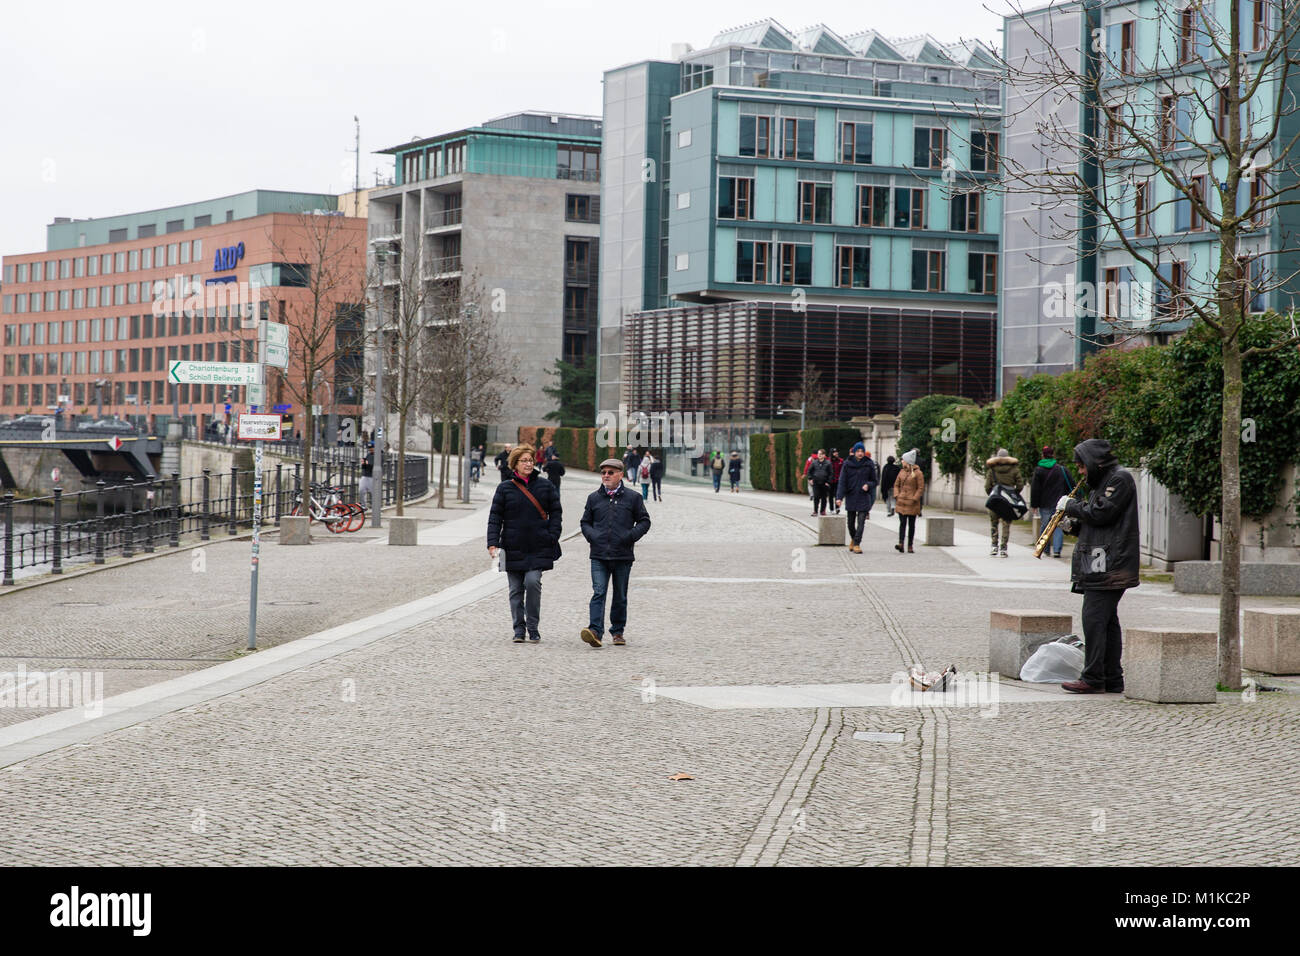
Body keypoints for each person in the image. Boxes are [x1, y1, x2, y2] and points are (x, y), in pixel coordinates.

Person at [1058, 439, 1139, 694]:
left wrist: (1070, 505)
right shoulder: (1102, 483)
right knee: (1106, 621)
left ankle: (1093, 677)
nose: (1081, 472)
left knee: (1093, 618)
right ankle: (1112, 678)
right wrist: (1072, 525)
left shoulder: (1120, 479)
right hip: (1099, 558)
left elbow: (1101, 513)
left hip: (1111, 563)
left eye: (1082, 466)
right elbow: (1097, 521)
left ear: (1095, 462)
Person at [486, 444, 562, 644]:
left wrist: (553, 534)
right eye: (524, 461)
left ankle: (533, 626)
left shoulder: (545, 486)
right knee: (515, 590)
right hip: (512, 545)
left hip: (538, 544)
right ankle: (518, 629)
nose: (528, 464)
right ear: (515, 464)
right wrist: (492, 543)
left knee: (532, 582)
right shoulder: (505, 488)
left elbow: (556, 512)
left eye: (530, 460)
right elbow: (495, 517)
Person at [580, 458, 652, 648]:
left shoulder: (633, 498)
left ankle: (617, 631)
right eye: (603, 472)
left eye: (610, 472)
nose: (606, 476)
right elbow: (585, 522)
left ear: (621, 475)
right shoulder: (594, 498)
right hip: (598, 555)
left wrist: (629, 536)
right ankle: (595, 630)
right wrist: (592, 536)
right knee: (599, 592)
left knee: (620, 595)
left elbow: (644, 521)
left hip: (623, 555)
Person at [1030, 445, 1072, 558]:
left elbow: (1035, 489)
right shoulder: (1061, 470)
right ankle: (1057, 550)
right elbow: (1071, 485)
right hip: (1060, 503)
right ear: (1053, 455)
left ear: (1042, 455)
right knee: (1058, 525)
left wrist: (1034, 504)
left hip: (1044, 504)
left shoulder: (1039, 470)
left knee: (1046, 526)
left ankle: (1045, 549)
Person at [835, 443, 875, 553]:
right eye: (858, 451)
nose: (860, 453)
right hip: (851, 495)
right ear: (854, 452)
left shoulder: (869, 463)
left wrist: (868, 485)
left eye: (862, 451)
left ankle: (857, 544)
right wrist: (839, 497)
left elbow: (875, 480)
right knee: (850, 523)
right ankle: (853, 538)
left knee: (861, 522)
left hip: (863, 496)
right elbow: (842, 482)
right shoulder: (847, 464)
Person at [984, 447, 1022, 558]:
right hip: (1008, 501)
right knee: (1006, 524)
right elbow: (1020, 484)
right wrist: (1014, 493)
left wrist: (992, 494)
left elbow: (987, 486)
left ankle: (994, 546)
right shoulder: (1014, 469)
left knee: (994, 523)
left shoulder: (992, 470)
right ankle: (1004, 548)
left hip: (995, 500)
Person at [892, 448, 924, 553]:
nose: (902, 461)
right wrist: (897, 495)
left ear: (908, 461)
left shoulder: (918, 473)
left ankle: (910, 545)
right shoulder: (901, 472)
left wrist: (915, 498)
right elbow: (896, 485)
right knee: (902, 523)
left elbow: (920, 488)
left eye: (903, 460)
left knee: (911, 524)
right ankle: (901, 543)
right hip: (901, 502)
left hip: (912, 503)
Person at [808, 449, 835, 516]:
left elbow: (831, 473)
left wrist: (828, 482)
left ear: (824, 455)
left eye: (820, 454)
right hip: (816, 483)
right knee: (816, 497)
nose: (819, 455)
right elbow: (809, 471)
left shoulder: (828, 463)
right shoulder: (814, 463)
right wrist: (810, 479)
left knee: (824, 497)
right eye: (818, 454)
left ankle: (823, 511)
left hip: (824, 483)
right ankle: (815, 511)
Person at [359, 442, 375, 510]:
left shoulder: (379, 455)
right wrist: (364, 463)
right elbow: (365, 466)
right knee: (361, 490)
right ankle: (363, 505)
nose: (370, 450)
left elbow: (373, 466)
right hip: (365, 475)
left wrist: (366, 464)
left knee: (373, 492)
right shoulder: (368, 455)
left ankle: (375, 506)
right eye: (369, 449)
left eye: (372, 449)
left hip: (372, 476)